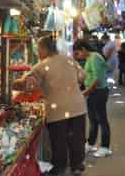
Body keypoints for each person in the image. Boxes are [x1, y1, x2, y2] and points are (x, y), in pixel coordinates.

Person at [15, 36, 87, 176]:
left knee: (58, 139)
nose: (38, 52)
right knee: (76, 137)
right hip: (77, 105)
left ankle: (60, 167)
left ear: (45, 49)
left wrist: (18, 81)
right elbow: (82, 76)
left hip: (57, 108)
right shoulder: (69, 59)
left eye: (38, 49)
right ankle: (76, 165)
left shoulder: (40, 66)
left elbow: (26, 83)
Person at [73, 40, 113, 158]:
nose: (78, 56)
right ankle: (90, 143)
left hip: (98, 92)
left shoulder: (95, 58)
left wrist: (85, 92)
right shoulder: (90, 58)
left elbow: (97, 79)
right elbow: (87, 76)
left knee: (102, 119)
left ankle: (105, 147)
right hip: (93, 93)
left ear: (84, 49)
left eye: (78, 53)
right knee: (93, 119)